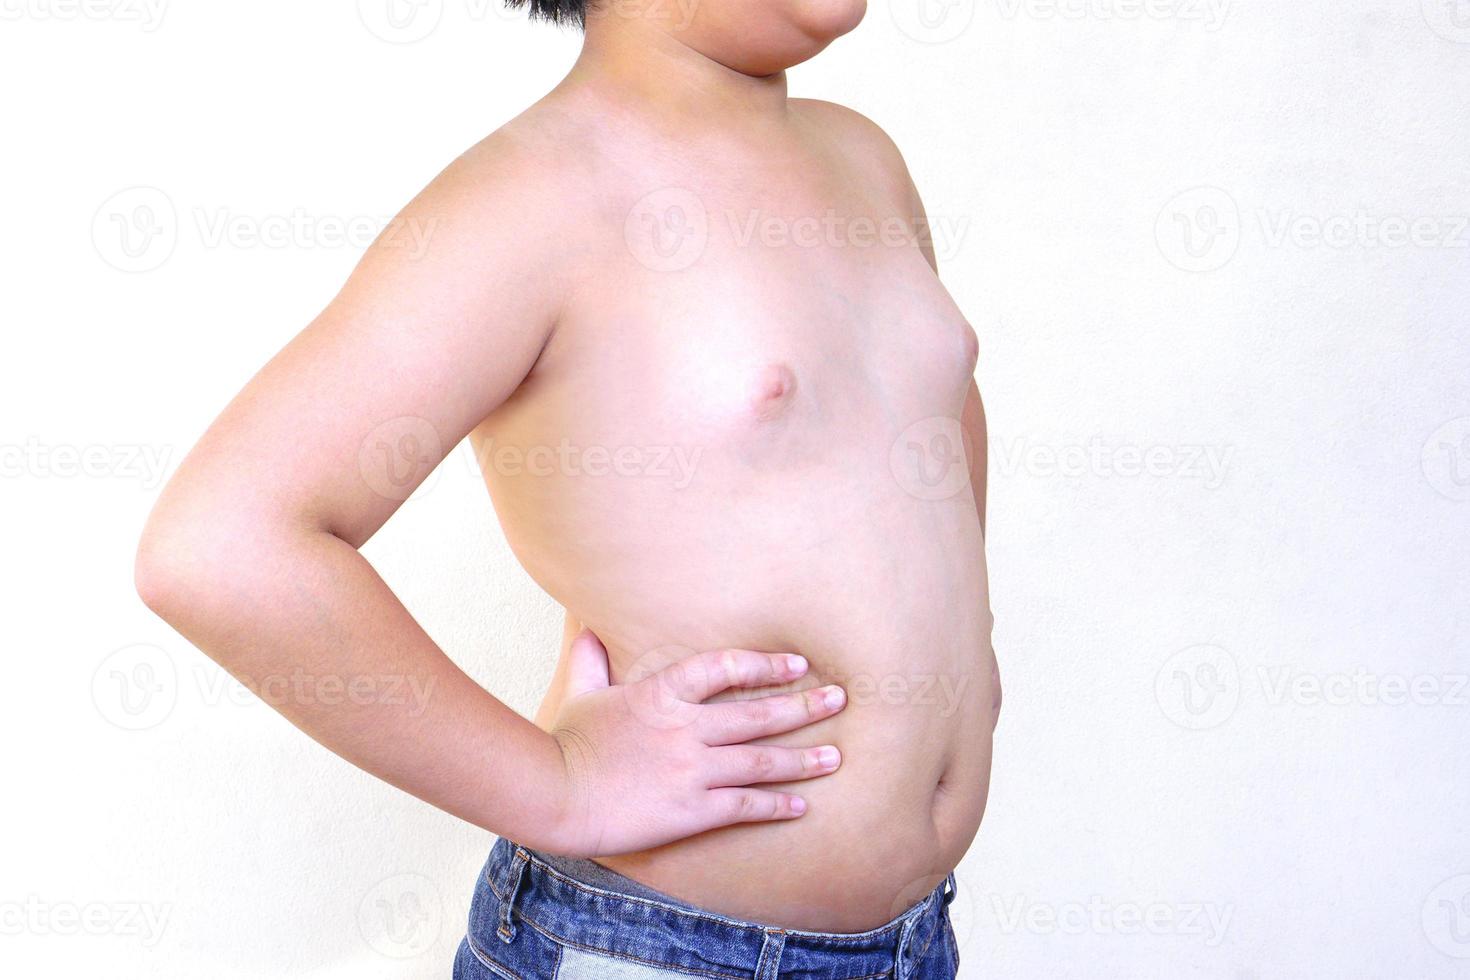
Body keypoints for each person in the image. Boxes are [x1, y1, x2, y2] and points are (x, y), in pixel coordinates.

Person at [134, 0, 1000, 976]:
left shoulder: (864, 158)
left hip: (917, 940)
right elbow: (218, 543)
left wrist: (969, 657)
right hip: (656, 944)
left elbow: (926, 415)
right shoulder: (537, 197)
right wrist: (563, 784)